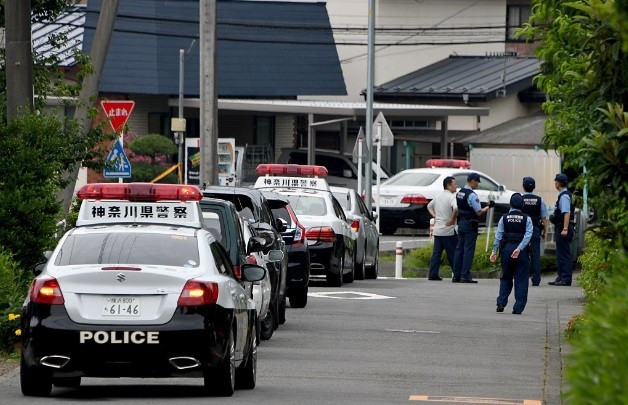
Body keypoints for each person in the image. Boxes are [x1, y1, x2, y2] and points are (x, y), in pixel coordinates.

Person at [490, 193, 533, 314]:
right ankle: (518, 307)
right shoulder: (527, 218)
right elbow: (528, 235)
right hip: (521, 252)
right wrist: (519, 248)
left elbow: (498, 236)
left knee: (506, 277)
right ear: (522, 205)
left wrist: (494, 251)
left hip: (507, 250)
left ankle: (501, 302)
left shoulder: (504, 218)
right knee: (521, 279)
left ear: (510, 204)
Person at [453, 172, 492, 283]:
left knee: (459, 249)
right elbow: (479, 212)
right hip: (470, 224)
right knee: (468, 250)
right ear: (473, 181)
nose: (478, 185)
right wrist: (489, 206)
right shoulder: (472, 195)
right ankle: (465, 275)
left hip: (461, 223)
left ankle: (456, 275)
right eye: (477, 182)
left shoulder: (460, 192)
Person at [426, 176, 458, 281]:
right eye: (455, 184)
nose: (456, 186)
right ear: (449, 185)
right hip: (448, 230)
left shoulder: (438, 196)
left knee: (436, 254)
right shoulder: (451, 197)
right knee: (452, 253)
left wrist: (435, 216)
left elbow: (429, 206)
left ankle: (432, 274)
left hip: (438, 229)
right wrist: (452, 219)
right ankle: (457, 274)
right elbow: (456, 208)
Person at [521, 177, 548, 286]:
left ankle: (523, 277)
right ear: (534, 187)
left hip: (522, 230)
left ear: (523, 186)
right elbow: (544, 218)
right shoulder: (539, 200)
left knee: (522, 253)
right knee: (535, 255)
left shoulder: (520, 199)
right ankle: (536, 279)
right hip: (535, 230)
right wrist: (545, 232)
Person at [548, 173, 575, 286]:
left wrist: (564, 228)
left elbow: (567, 213)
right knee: (560, 253)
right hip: (561, 226)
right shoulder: (563, 195)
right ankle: (560, 277)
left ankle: (566, 278)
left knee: (564, 253)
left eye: (555, 182)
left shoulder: (564, 196)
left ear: (558, 183)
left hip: (563, 227)